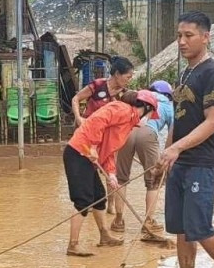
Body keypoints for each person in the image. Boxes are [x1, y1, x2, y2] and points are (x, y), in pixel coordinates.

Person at [158, 11, 214, 268]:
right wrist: (168, 151)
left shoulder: (212, 74)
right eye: (179, 35)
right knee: (180, 226)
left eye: (188, 35)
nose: (182, 41)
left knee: (199, 226)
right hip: (180, 160)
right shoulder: (186, 72)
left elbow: (212, 121)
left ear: (206, 37)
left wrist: (178, 148)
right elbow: (178, 120)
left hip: (201, 162)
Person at [64, 91, 159, 256]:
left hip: (89, 157)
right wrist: (92, 145)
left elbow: (109, 149)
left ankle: (104, 236)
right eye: (151, 113)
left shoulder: (129, 123)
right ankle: (73, 245)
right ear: (145, 107)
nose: (149, 119)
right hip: (79, 152)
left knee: (99, 197)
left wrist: (112, 173)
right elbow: (98, 120)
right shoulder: (122, 109)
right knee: (83, 201)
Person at [113, 79, 175, 244]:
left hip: (127, 132)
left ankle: (119, 220)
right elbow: (172, 133)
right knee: (153, 181)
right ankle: (148, 221)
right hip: (148, 135)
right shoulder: (169, 106)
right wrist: (166, 155)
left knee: (121, 178)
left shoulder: (140, 96)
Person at [71, 56, 135, 126]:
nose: (129, 81)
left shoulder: (124, 93)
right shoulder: (98, 85)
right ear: (117, 74)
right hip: (89, 128)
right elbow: (75, 99)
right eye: (128, 77)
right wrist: (78, 118)